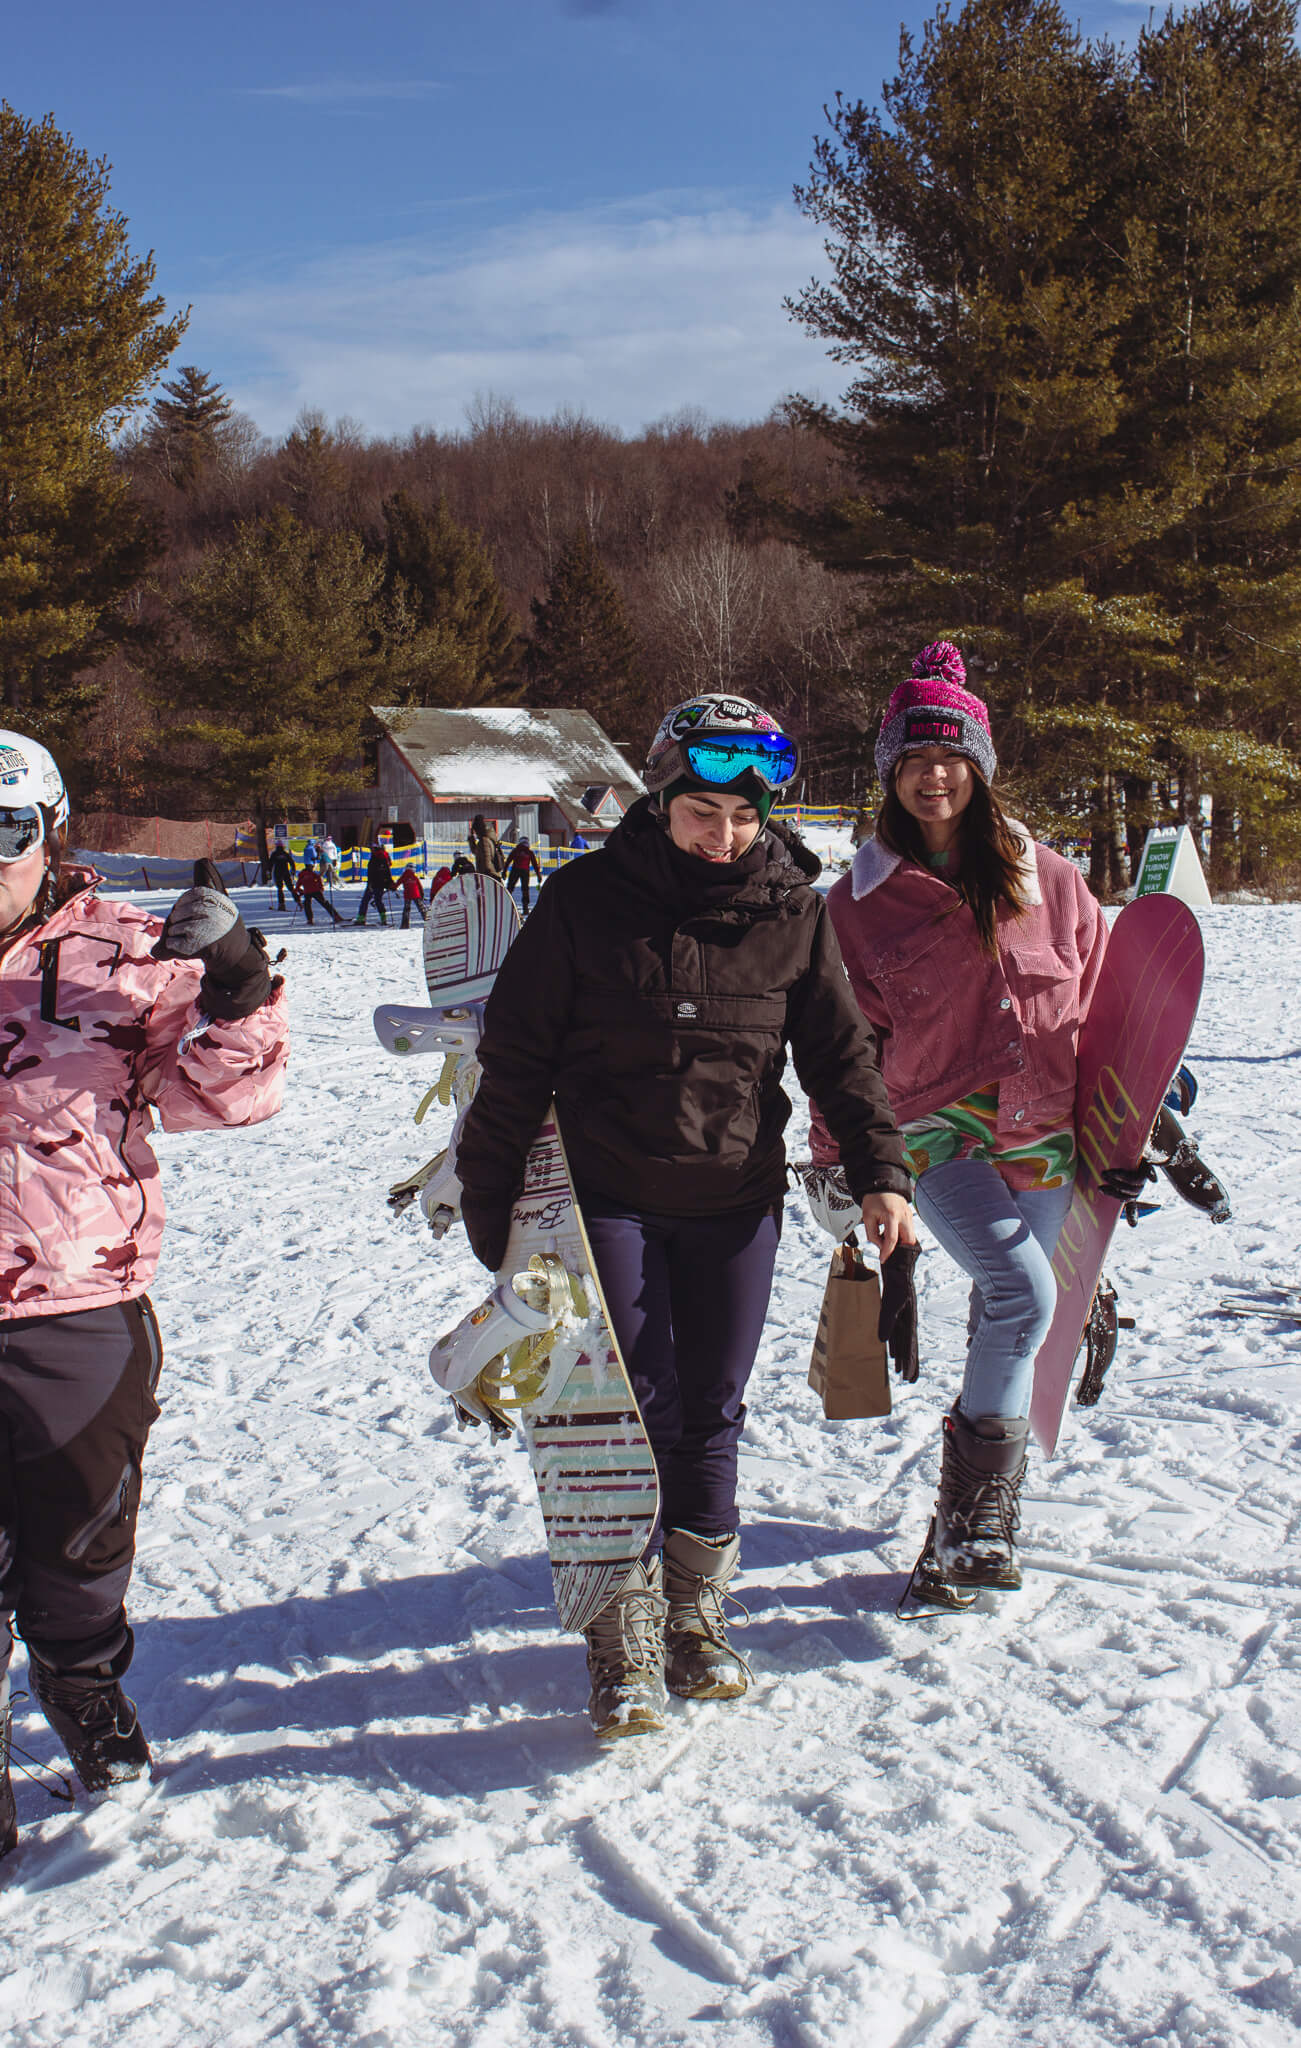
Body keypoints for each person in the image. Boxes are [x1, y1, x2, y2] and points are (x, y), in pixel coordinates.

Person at [455, 695, 914, 1739]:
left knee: (710, 1405)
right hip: (607, 1197)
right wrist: (494, 1204)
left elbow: (842, 1058)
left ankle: (694, 1611)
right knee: (628, 1408)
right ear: (661, 800)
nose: (724, 834)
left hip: (735, 1201)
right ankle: (621, 1628)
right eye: (704, 812)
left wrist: (881, 1172)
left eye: (744, 817)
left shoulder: (794, 911)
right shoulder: (583, 902)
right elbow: (515, 1059)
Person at [0, 728, 289, 1899]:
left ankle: (82, 1683)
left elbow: (227, 1097)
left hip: (84, 1309)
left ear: (51, 834)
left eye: (7, 831)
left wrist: (236, 984)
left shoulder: (128, 954)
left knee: (83, 1543)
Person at [808, 642, 1108, 1600]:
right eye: (913, 761)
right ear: (889, 775)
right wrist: (841, 1161)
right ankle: (978, 1519)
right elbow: (841, 1044)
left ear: (979, 768)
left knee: (1002, 1311)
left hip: (1043, 1128)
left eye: (950, 759)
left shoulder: (1049, 879)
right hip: (930, 1132)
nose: (932, 777)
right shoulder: (856, 906)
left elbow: (1103, 1001)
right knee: (1022, 1294)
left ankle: (960, 1534)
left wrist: (1147, 1106)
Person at [355, 842, 395, 925]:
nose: (371, 850)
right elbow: (387, 871)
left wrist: (370, 883)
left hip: (374, 883)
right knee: (377, 901)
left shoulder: (376, 857)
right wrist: (389, 882)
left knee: (366, 900)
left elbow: (372, 872)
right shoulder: (383, 856)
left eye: (372, 849)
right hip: (380, 883)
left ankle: (361, 918)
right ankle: (383, 919)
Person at [504, 835, 542, 913]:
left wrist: (504, 871)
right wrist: (538, 875)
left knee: (510, 888)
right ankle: (525, 908)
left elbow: (508, 861)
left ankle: (506, 905)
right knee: (525, 890)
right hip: (525, 871)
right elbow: (535, 864)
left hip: (515, 870)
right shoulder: (529, 852)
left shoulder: (516, 850)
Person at [467, 814, 504, 880]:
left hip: (489, 877)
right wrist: (471, 840)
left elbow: (486, 862)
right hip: (490, 875)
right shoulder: (487, 839)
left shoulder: (484, 842)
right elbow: (478, 853)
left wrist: (488, 876)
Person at [395, 863, 427, 928]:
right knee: (421, 908)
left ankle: (405, 925)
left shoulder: (404, 876)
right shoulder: (414, 876)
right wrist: (422, 894)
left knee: (406, 910)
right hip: (416, 894)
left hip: (407, 895)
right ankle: (428, 920)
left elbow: (397, 883)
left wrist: (392, 887)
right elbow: (420, 886)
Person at [270, 839, 297, 909]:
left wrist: (268, 873)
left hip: (277, 872)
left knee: (280, 888)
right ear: (282, 846)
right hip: (285, 872)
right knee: (290, 887)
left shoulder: (274, 854)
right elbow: (292, 862)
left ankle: (281, 904)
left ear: (276, 846)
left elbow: (270, 864)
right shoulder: (285, 854)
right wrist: (293, 870)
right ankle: (298, 901)